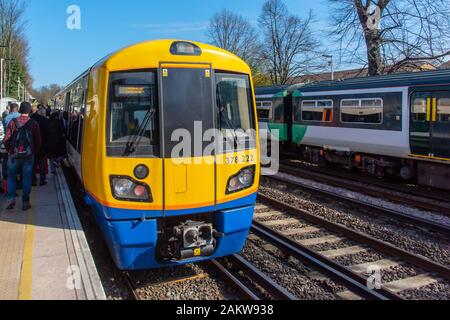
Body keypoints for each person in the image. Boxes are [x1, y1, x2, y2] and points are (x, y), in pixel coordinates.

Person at [3, 102, 42, 211]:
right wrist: (33, 152)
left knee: (11, 176)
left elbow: (6, 139)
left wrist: (10, 150)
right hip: (28, 156)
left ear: (19, 110)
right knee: (27, 177)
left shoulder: (13, 122)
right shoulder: (33, 123)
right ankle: (25, 202)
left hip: (13, 155)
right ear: (29, 111)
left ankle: (11, 199)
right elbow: (38, 141)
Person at [31, 105, 49, 186]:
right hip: (43, 146)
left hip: (32, 145)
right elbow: (48, 135)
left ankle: (33, 181)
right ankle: (42, 180)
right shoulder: (45, 120)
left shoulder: (31, 118)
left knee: (33, 164)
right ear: (43, 113)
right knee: (42, 164)